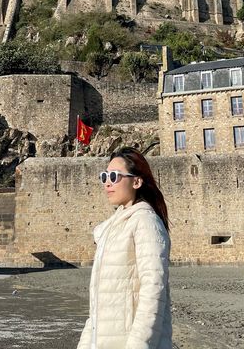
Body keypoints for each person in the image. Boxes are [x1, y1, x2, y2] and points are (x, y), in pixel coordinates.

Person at [77, 146, 173, 349]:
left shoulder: (146, 222)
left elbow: (154, 292)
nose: (107, 183)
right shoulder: (112, 229)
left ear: (137, 181)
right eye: (104, 176)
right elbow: (98, 308)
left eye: (114, 176)